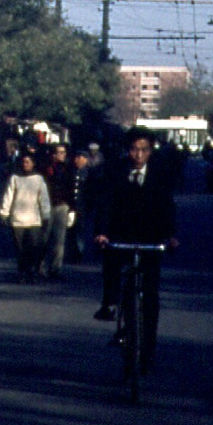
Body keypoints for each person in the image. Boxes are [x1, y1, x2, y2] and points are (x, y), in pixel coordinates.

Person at [92, 127, 178, 374]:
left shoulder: (160, 173)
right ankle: (109, 302)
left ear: (150, 151)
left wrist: (171, 236)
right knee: (112, 262)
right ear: (127, 150)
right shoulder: (116, 170)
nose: (138, 155)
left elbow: (167, 206)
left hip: (151, 237)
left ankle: (147, 350)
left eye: (144, 150)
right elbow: (105, 203)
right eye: (134, 149)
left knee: (150, 298)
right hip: (121, 234)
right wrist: (101, 232)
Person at [0, 152, 51, 284]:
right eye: (24, 161)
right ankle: (22, 271)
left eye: (28, 161)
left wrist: (46, 214)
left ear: (33, 163)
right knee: (20, 248)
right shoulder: (15, 178)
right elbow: (8, 196)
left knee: (33, 247)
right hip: (18, 219)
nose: (25, 164)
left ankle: (32, 271)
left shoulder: (38, 179)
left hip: (34, 219)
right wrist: (4, 213)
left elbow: (43, 198)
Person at [40, 143, 74, 280]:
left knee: (59, 240)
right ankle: (41, 267)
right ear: (53, 154)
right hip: (47, 205)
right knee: (44, 238)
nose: (62, 155)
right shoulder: (45, 168)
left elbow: (71, 189)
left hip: (61, 206)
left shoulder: (67, 169)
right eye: (59, 152)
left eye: (64, 152)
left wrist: (72, 209)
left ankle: (56, 268)